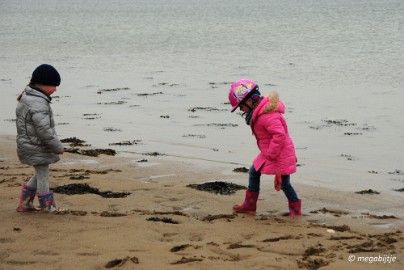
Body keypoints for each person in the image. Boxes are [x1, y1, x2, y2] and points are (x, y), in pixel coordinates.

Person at [228, 79, 301, 216]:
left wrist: (272, 154)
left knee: (285, 183)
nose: (241, 110)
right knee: (253, 171)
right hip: (269, 152)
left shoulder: (267, 115)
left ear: (250, 101)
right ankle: (249, 205)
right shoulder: (259, 113)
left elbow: (279, 135)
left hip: (279, 153)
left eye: (241, 106)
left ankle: (295, 209)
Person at [15, 64, 64, 212]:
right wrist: (58, 146)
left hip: (30, 144)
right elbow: (44, 131)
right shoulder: (38, 103)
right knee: (43, 175)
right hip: (37, 146)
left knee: (39, 172)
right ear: (42, 84)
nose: (55, 89)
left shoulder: (29, 98)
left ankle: (25, 203)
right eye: (53, 85)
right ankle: (47, 206)